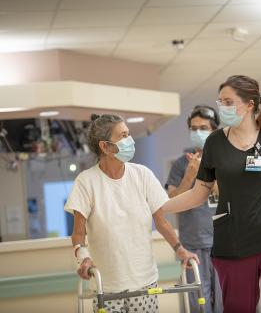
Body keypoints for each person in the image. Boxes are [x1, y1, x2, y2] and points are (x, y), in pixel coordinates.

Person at [159, 75, 261, 312]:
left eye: (228, 102)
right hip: (233, 243)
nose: (222, 108)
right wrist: (159, 206)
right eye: (220, 102)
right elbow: (198, 194)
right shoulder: (215, 143)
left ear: (249, 105)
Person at [64, 114, 198, 313]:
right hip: (106, 287)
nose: (131, 141)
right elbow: (78, 232)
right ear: (106, 147)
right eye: (123, 136)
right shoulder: (86, 181)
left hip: (144, 281)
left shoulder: (142, 175)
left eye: (129, 134)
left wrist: (180, 249)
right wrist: (83, 258)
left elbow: (161, 222)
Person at [165, 105, 223, 313]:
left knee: (226, 302)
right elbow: (171, 202)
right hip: (193, 246)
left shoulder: (225, 159)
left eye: (203, 127)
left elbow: (233, 195)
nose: (198, 132)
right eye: (194, 128)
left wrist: (206, 173)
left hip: (225, 242)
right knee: (199, 303)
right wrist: (190, 175)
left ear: (214, 130)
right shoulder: (181, 164)